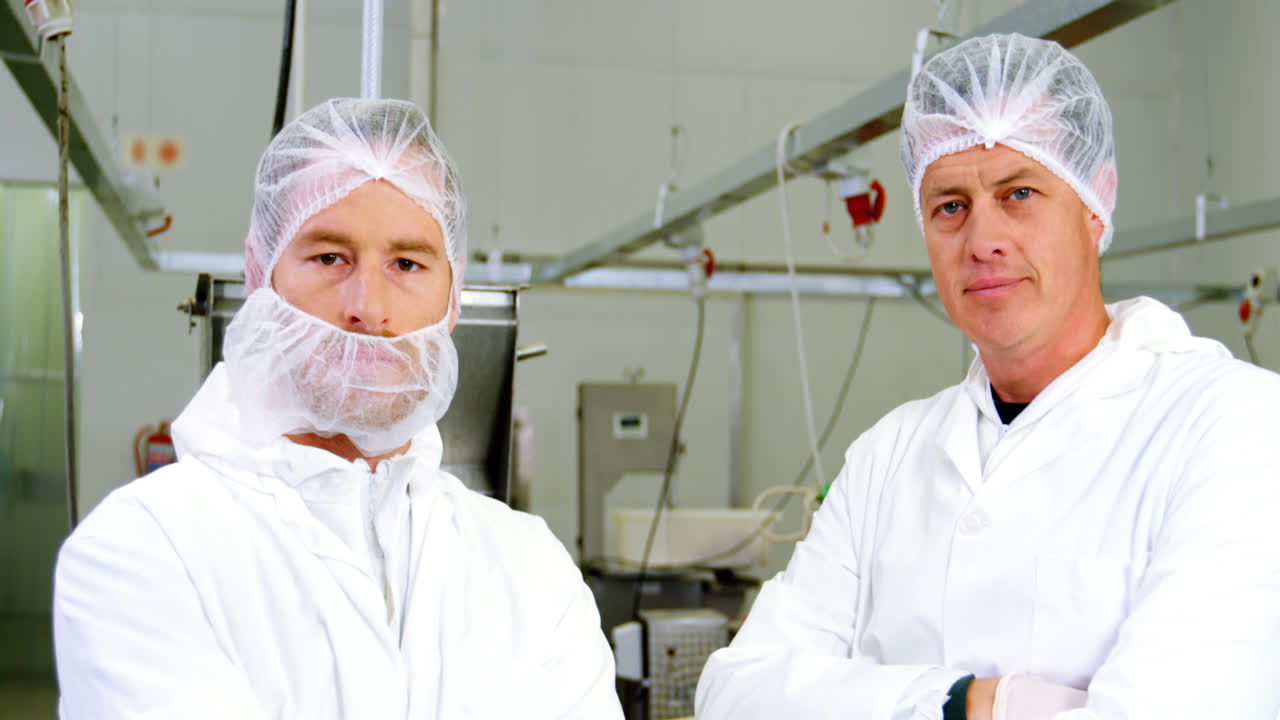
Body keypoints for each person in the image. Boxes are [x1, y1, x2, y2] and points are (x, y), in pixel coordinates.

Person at [696, 33, 1280, 720]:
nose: (983, 241)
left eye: (1020, 192)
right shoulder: (887, 457)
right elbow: (734, 694)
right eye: (950, 206)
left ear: (1095, 205)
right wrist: (964, 703)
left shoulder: (1232, 425)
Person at [53, 98, 623, 719]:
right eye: (330, 257)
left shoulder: (528, 568)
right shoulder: (145, 549)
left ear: (452, 299)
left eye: (407, 263)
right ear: (258, 274)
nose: (368, 308)